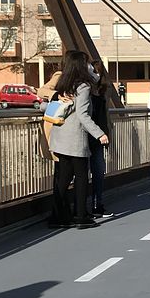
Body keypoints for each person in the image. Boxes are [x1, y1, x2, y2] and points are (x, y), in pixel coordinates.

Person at [48, 51, 110, 229]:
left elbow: (47, 105)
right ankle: (81, 216)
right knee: (82, 177)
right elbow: (83, 115)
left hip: (60, 136)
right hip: (75, 138)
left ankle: (57, 217)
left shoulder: (64, 83)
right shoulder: (83, 86)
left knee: (63, 180)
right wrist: (99, 133)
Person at [88, 60, 111, 216]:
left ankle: (97, 204)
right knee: (85, 172)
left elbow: (105, 115)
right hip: (88, 135)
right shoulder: (84, 88)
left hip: (98, 136)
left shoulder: (103, 91)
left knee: (98, 170)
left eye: (98, 72)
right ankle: (84, 207)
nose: (95, 75)